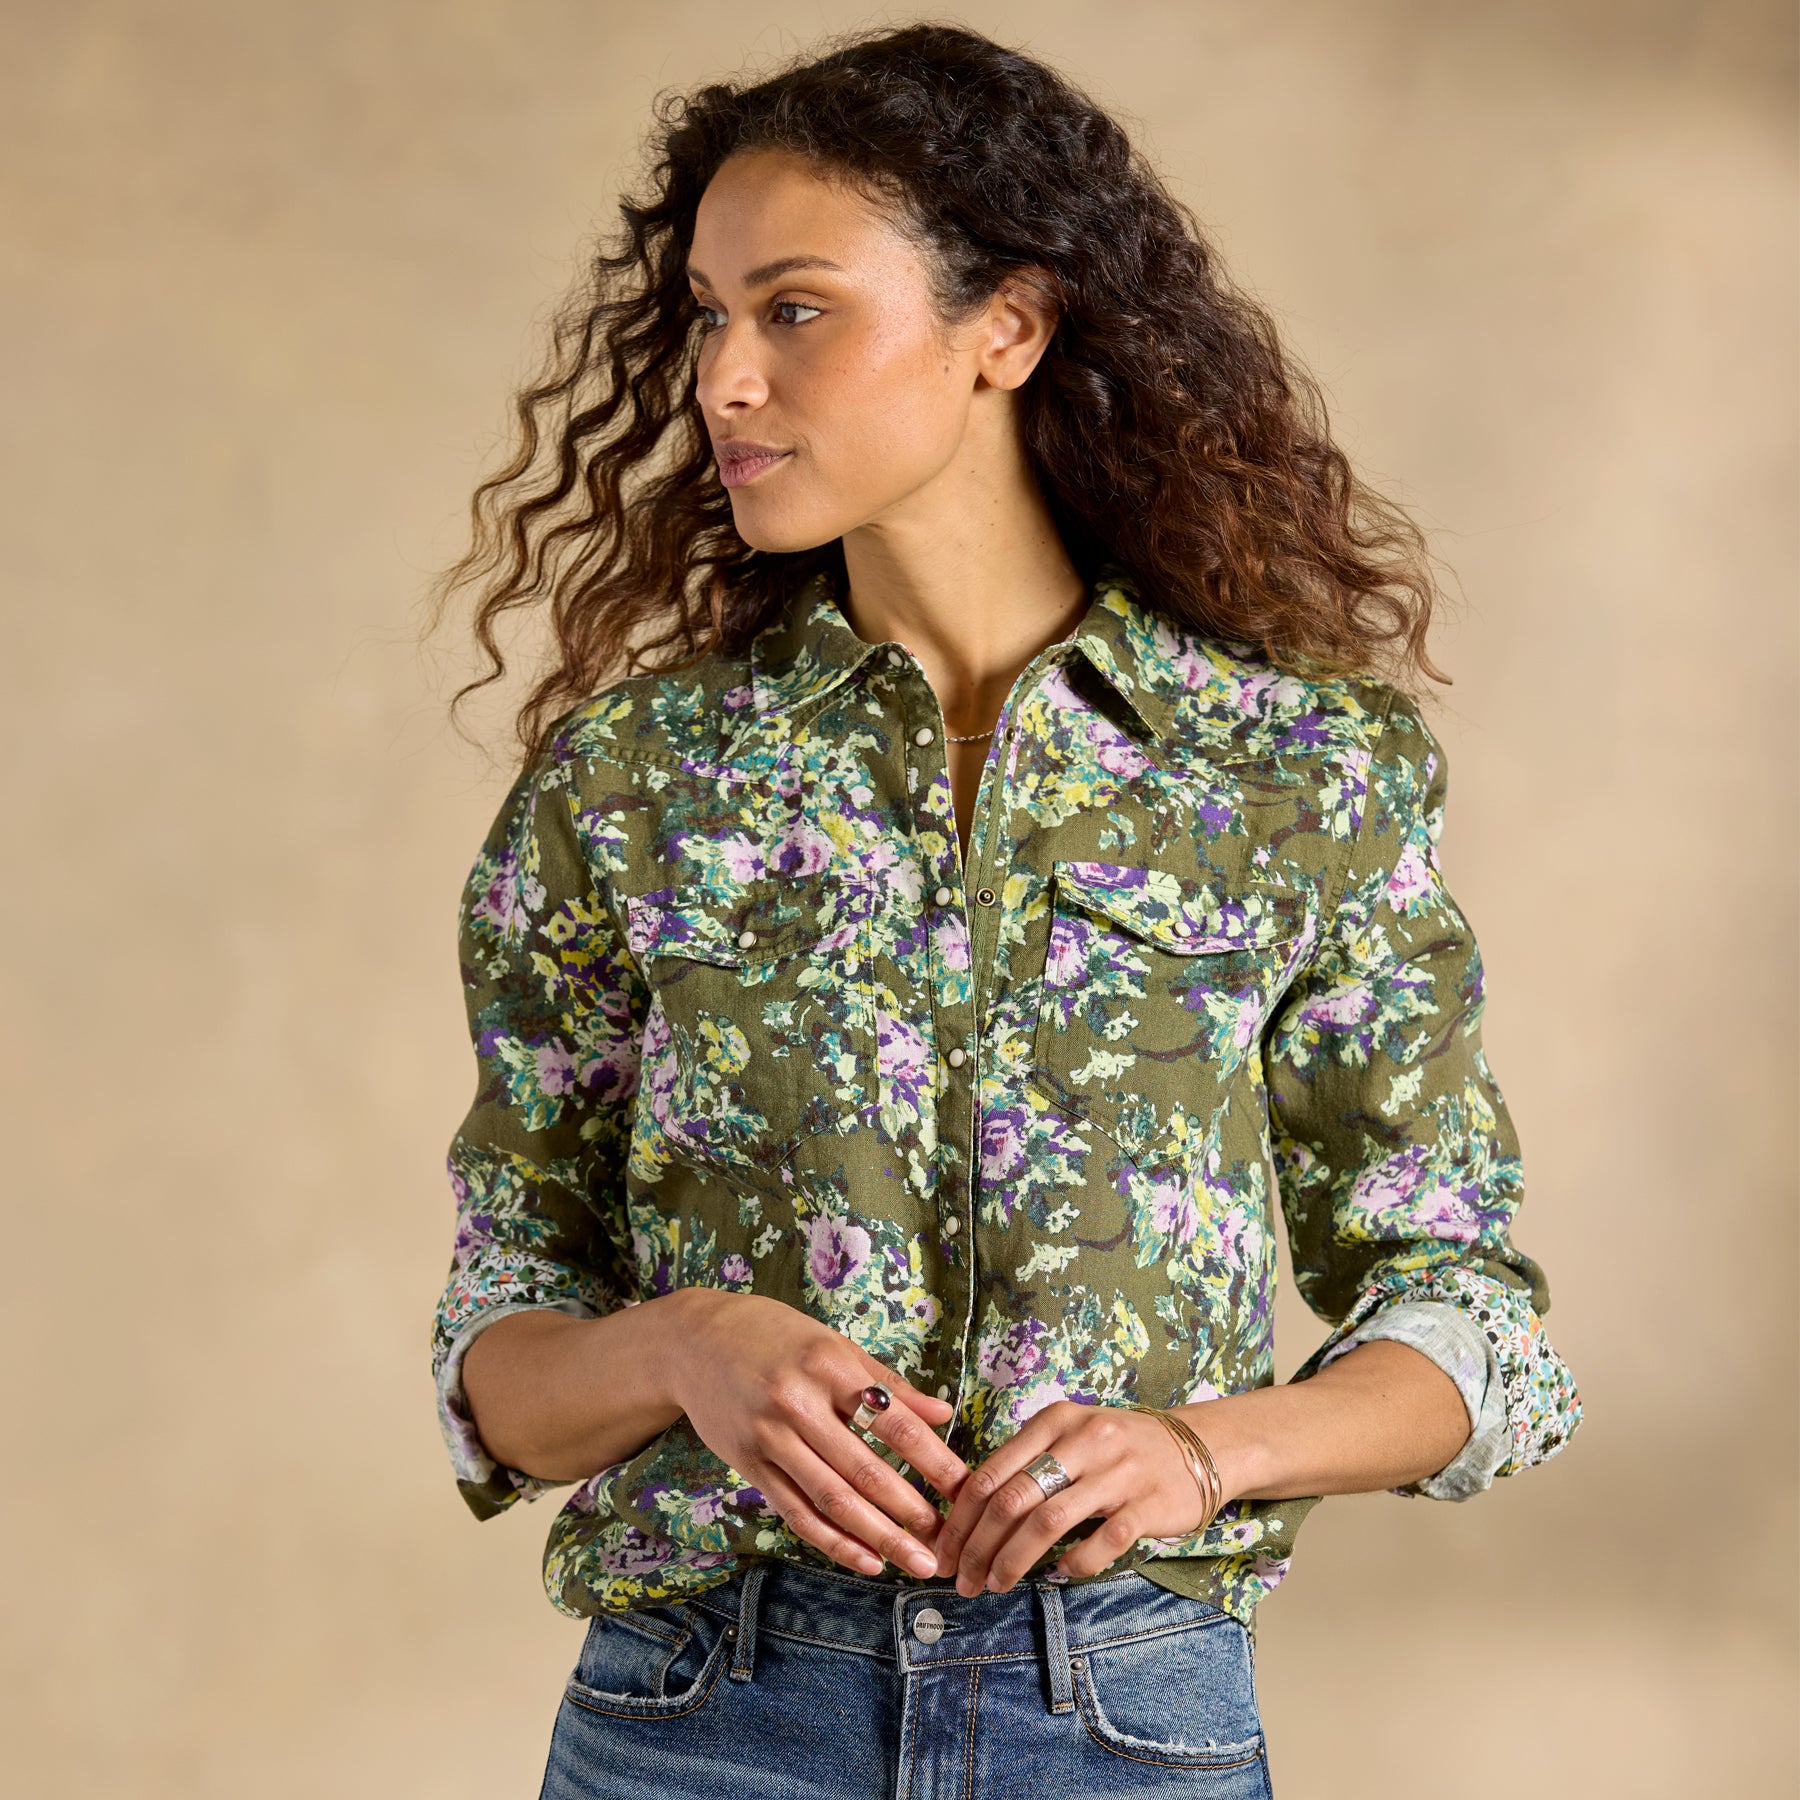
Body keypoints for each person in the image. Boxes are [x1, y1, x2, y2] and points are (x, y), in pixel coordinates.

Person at [423, 22, 1582, 1798]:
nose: (725, 377)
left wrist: (1201, 1452)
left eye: (794, 310)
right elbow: (500, 1357)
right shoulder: (633, 781)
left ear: (1009, 330)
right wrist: (689, 1346)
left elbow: (1467, 1320)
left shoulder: (1296, 770)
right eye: (707, 317)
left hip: (1121, 1716)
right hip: (705, 1721)